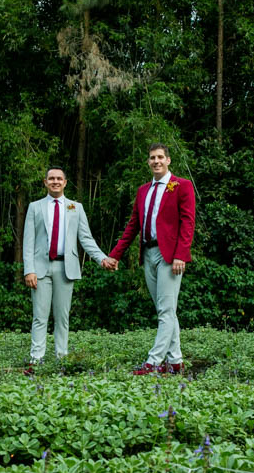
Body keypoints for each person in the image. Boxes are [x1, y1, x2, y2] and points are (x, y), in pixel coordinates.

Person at [108, 143, 196, 375]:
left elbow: (188, 223)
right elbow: (132, 226)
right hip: (148, 254)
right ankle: (175, 361)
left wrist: (181, 255)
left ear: (168, 160)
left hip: (170, 256)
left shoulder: (182, 186)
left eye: (160, 157)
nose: (156, 161)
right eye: (151, 158)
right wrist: (116, 255)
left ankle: (154, 361)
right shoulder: (143, 191)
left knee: (166, 311)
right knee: (165, 310)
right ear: (148, 162)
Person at [23, 167, 117, 365]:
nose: (55, 181)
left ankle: (61, 359)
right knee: (40, 317)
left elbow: (86, 238)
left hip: (66, 268)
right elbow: (28, 241)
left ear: (65, 182)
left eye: (59, 178)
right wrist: (28, 269)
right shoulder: (35, 207)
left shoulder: (76, 207)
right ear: (45, 182)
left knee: (62, 317)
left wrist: (102, 258)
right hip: (40, 268)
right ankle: (35, 360)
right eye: (51, 179)